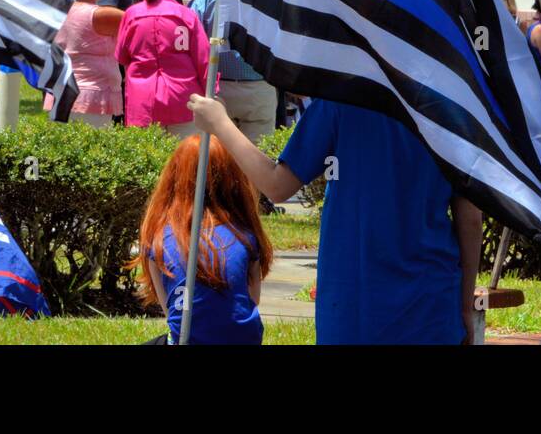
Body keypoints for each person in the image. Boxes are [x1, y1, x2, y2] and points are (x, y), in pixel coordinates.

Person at [189, 93, 483, 344]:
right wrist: (465, 306)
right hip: (432, 305)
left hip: (353, 309)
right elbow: (470, 218)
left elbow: (277, 186)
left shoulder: (341, 98)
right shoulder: (450, 105)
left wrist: (220, 123)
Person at [133, 133, 272, 344]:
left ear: (173, 178)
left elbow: (171, 312)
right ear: (234, 179)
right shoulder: (245, 236)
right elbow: (253, 299)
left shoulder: (159, 239)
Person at [116, 0, 208, 137]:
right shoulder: (186, 14)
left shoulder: (132, 14)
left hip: (142, 101)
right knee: (184, 162)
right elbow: (203, 60)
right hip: (184, 100)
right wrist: (211, 95)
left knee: (146, 161)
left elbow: (121, 56)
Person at [190, 0, 277, 144]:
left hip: (218, 85)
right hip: (256, 86)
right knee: (257, 157)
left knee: (217, 155)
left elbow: (194, 38)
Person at [45, 0, 125, 127]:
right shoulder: (100, 14)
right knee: (93, 150)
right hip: (91, 97)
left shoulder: (56, 11)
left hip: (61, 91)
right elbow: (138, 19)